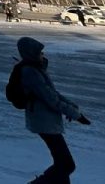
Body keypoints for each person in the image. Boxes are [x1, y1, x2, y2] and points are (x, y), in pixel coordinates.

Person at [17, 36, 90, 183]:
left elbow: (54, 94)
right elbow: (52, 99)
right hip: (44, 122)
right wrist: (76, 115)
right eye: (40, 53)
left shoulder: (37, 69)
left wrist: (73, 107)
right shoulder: (31, 73)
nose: (43, 55)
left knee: (63, 164)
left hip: (48, 121)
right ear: (31, 53)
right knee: (66, 165)